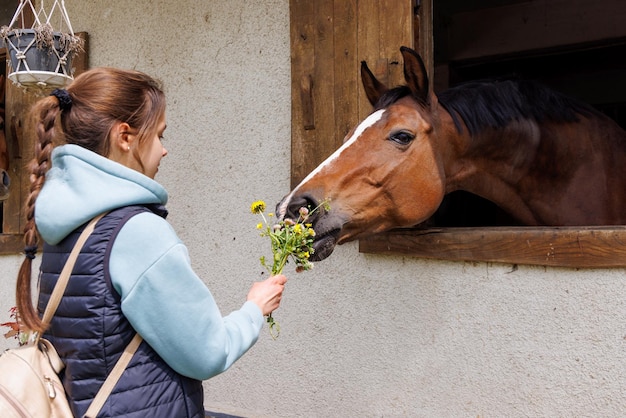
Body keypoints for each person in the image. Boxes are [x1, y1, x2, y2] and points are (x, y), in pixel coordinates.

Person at [14, 67, 287, 417]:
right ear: (125, 137)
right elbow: (208, 352)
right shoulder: (137, 231)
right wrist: (254, 308)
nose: (164, 150)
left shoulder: (64, 223)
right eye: (159, 135)